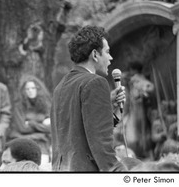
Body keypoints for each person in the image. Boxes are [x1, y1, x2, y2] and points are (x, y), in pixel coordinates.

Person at [50, 25, 126, 171]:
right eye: (107, 52)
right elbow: (101, 144)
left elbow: (79, 131)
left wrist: (110, 108)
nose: (110, 58)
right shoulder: (95, 82)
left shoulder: (59, 87)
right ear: (95, 55)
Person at [8, 75, 51, 164]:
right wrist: (41, 128)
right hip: (23, 142)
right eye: (27, 89)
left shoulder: (45, 106)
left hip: (41, 144)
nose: (30, 91)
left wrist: (32, 123)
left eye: (33, 88)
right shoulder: (19, 106)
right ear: (24, 91)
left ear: (38, 89)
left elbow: (50, 128)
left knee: (42, 168)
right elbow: (22, 128)